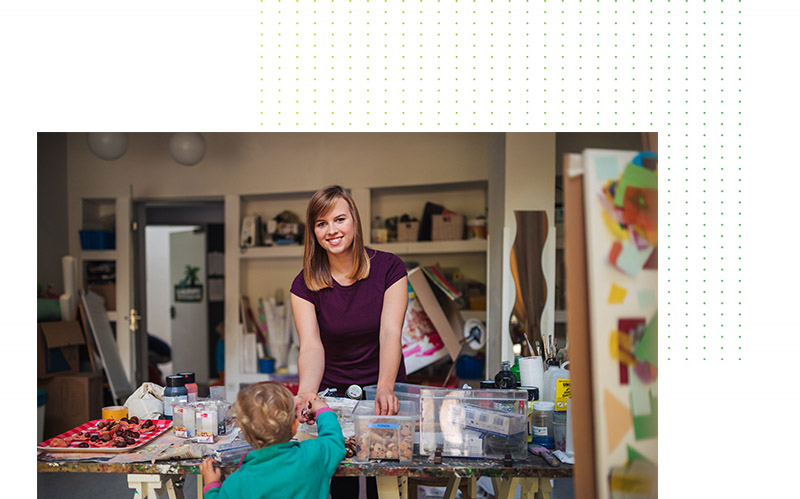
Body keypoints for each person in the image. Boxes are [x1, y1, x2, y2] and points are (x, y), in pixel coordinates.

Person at [290, 185, 409, 498]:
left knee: (383, 479)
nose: (332, 230)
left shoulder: (390, 268)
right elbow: (311, 346)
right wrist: (307, 392)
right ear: (313, 232)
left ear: (354, 220)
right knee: (342, 479)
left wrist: (385, 387)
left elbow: (390, 332)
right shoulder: (304, 284)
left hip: (382, 388)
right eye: (321, 223)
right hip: (334, 397)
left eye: (339, 219)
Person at [199, 381, 345, 499]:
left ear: (243, 431)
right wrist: (323, 410)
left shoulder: (237, 483)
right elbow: (334, 440)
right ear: (295, 426)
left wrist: (211, 485)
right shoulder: (313, 455)